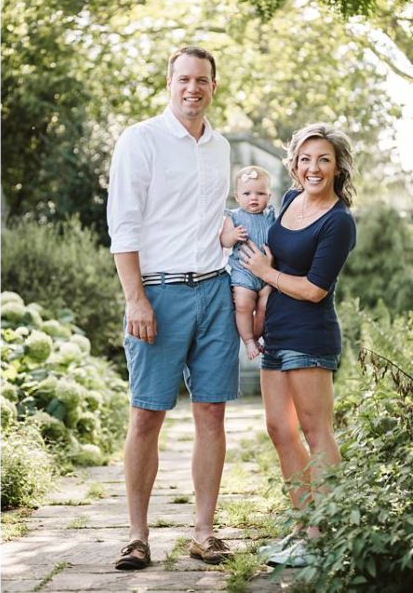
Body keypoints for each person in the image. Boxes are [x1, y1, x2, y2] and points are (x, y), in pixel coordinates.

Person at [107, 46, 236, 571]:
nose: (193, 88)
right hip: (157, 292)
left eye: (202, 80)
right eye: (184, 79)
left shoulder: (222, 146)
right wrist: (135, 296)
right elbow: (125, 223)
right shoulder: (142, 140)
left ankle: (204, 533)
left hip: (214, 291)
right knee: (146, 416)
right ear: (168, 82)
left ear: (212, 86)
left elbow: (212, 220)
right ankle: (137, 537)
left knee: (212, 412)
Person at [237, 124, 357, 568]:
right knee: (279, 428)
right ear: (295, 163)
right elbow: (257, 236)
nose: (313, 167)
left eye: (323, 159)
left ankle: (327, 532)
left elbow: (314, 290)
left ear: (338, 166)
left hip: (310, 336)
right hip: (276, 334)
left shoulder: (339, 221)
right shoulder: (288, 201)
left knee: (315, 431)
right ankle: (304, 528)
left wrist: (266, 276)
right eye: (306, 159)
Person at [220, 166, 276, 361]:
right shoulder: (233, 217)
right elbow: (224, 241)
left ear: (269, 196)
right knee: (243, 304)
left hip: (267, 272)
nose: (254, 198)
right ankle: (249, 341)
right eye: (247, 193)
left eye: (260, 193)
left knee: (265, 306)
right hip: (243, 271)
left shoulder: (270, 217)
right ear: (237, 196)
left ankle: (258, 336)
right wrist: (233, 235)